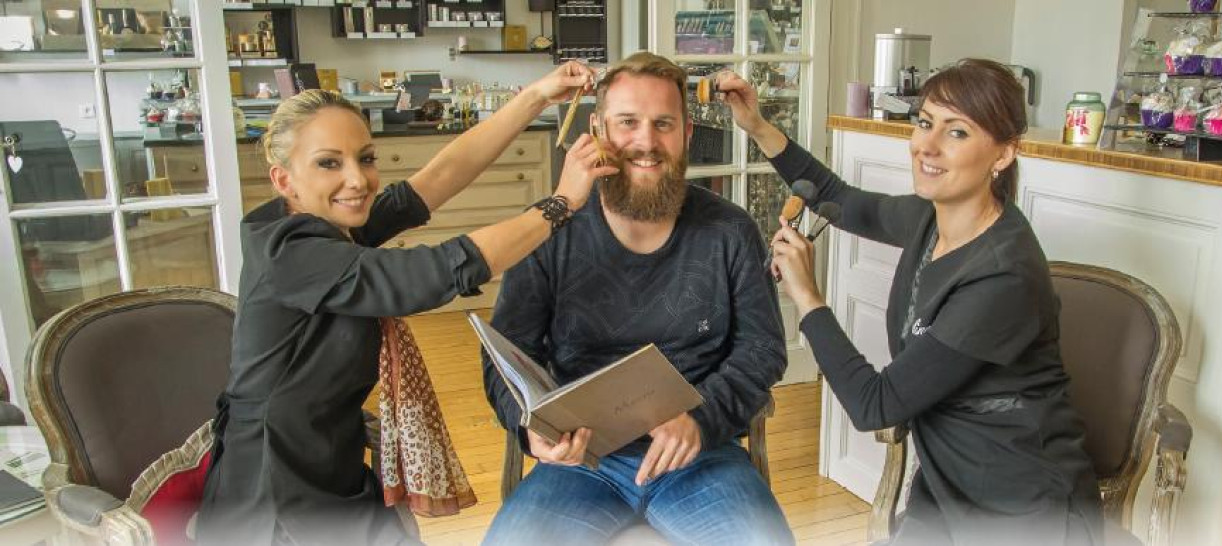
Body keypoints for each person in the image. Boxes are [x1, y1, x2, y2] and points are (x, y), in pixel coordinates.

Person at [197, 61, 618, 546]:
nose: (357, 180)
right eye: (329, 163)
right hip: (272, 493)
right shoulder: (293, 253)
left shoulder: (328, 224)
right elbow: (432, 274)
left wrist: (538, 97)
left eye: (366, 158)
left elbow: (438, 177)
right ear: (284, 180)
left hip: (331, 464)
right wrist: (560, 204)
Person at [719, 59, 1105, 545]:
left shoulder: (1003, 275)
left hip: (1020, 501)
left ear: (1004, 154)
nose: (927, 145)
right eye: (925, 123)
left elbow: (875, 405)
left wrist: (808, 297)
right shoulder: (929, 219)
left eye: (957, 132)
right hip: (946, 485)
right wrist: (756, 125)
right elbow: (838, 196)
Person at [480, 52, 793, 546]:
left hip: (700, 455)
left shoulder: (730, 231)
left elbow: (763, 349)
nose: (646, 142)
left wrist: (702, 419)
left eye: (663, 124)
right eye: (628, 123)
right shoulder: (547, 230)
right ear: (598, 127)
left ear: (687, 133)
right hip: (580, 461)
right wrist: (530, 429)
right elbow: (507, 355)